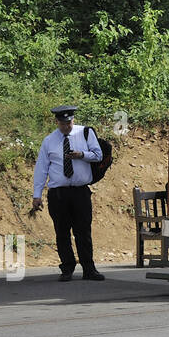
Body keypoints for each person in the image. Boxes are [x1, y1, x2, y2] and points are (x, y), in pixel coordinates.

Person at [31, 106, 104, 281]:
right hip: (59, 193)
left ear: (73, 120)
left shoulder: (85, 133)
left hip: (80, 192)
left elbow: (98, 155)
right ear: (57, 122)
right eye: (63, 123)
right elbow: (42, 168)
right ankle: (67, 268)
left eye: (69, 122)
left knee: (83, 231)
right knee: (62, 232)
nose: (67, 126)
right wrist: (37, 194)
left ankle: (89, 269)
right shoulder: (49, 140)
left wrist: (82, 155)